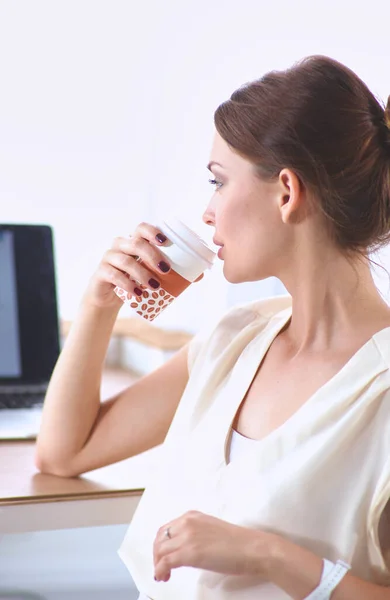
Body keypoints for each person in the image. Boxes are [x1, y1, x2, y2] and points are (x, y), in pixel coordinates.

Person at [35, 55, 390, 600]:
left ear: (287, 192)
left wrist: (267, 554)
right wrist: (98, 304)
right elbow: (65, 452)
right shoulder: (237, 339)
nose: (207, 212)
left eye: (218, 182)